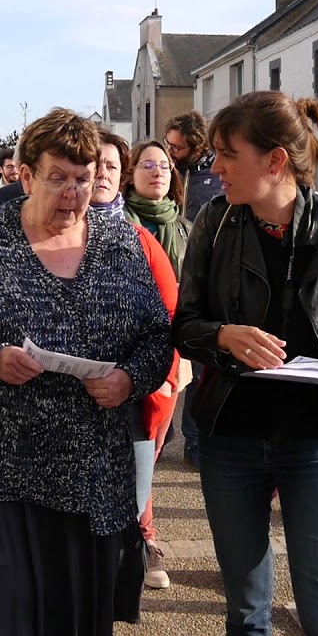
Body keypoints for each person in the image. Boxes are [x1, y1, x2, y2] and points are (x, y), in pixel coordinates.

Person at [0, 108, 174, 636]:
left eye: (83, 179)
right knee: (8, 623)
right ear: (27, 175)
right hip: (7, 468)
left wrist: (130, 379)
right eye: (57, 177)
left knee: (81, 623)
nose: (73, 192)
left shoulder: (118, 240)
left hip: (94, 473)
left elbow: (157, 336)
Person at [173, 90, 318, 636]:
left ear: (275, 161)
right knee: (247, 614)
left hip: (317, 439)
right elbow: (183, 325)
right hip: (230, 437)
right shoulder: (213, 224)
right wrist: (223, 335)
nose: (214, 167)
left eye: (227, 154)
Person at [92, 130, 180, 591]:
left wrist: (164, 373)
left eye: (111, 166)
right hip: (73, 387)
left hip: (139, 381)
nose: (102, 173)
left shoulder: (145, 238)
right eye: (95, 164)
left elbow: (171, 313)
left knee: (137, 468)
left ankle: (139, 546)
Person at [164, 110, 218, 468]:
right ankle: (184, 441)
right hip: (179, 284)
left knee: (199, 370)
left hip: (202, 285)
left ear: (194, 145)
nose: (170, 152)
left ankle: (195, 446)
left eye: (176, 146)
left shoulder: (209, 180)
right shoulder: (180, 173)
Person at [122, 139, 191, 277]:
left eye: (165, 166)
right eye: (148, 165)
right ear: (130, 175)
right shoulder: (116, 221)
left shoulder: (187, 229)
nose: (158, 172)